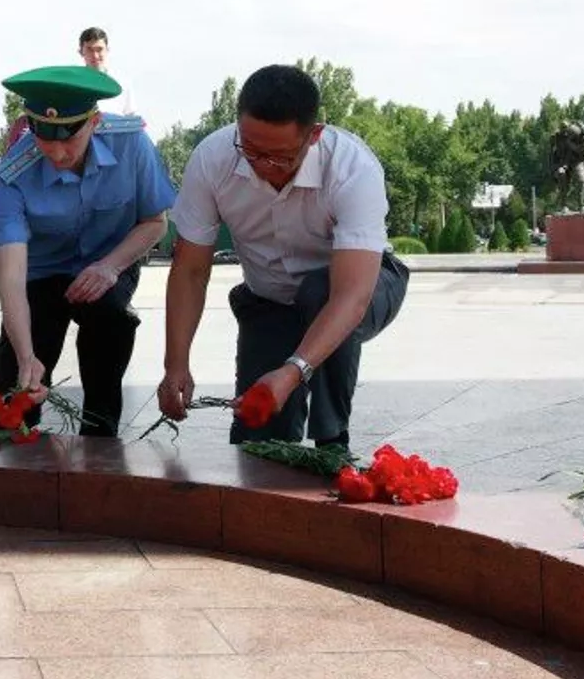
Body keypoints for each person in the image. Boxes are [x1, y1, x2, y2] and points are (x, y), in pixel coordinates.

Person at [155, 64, 409, 448]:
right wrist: (175, 364)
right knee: (259, 439)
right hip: (270, 298)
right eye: (250, 150)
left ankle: (331, 445)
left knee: (319, 293)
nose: (262, 166)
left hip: (363, 288)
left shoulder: (351, 168)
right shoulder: (212, 159)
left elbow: (351, 296)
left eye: (280, 157)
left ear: (314, 136)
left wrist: (292, 372)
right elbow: (190, 270)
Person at [0, 66, 177, 436]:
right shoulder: (13, 174)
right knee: (8, 403)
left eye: (69, 139)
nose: (57, 153)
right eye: (45, 139)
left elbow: (155, 223)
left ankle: (100, 434)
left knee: (110, 317)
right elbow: (11, 276)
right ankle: (22, 443)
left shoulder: (132, 145)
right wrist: (26, 355)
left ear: (94, 122)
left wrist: (109, 267)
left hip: (111, 261)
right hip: (41, 274)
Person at [77, 27, 142, 122]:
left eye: (99, 49)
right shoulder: (74, 84)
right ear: (81, 52)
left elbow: (132, 117)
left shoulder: (122, 82)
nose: (95, 55)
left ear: (107, 50)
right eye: (89, 50)